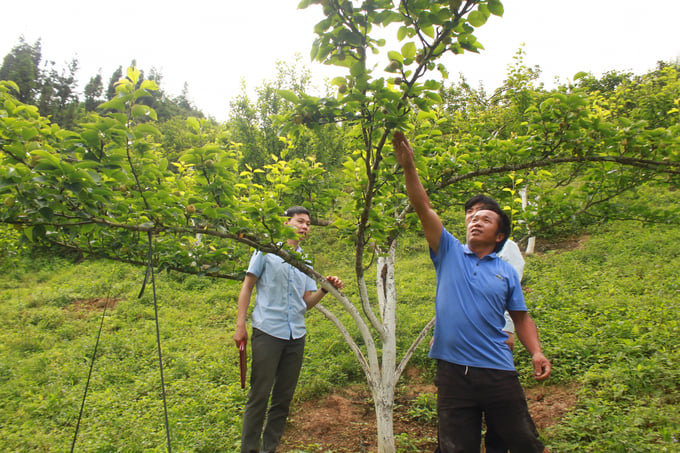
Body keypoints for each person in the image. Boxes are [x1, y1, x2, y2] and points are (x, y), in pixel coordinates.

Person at [392, 131, 551, 453]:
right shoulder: (449, 251)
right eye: (473, 218)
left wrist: (536, 351)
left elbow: (521, 318)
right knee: (455, 448)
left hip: (497, 371)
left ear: (499, 235)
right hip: (452, 374)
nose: (475, 222)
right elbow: (422, 205)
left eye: (486, 219)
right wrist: (409, 167)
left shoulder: (505, 270)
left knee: (523, 442)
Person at [234, 206, 344, 453]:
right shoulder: (266, 251)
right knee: (259, 396)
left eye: (308, 224)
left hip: (296, 335)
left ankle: (268, 449)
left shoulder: (304, 260)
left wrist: (324, 289)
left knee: (282, 400)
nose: (305, 227)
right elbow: (247, 287)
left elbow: (305, 303)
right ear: (285, 223)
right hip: (268, 332)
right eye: (300, 221)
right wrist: (240, 325)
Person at [464, 195, 526, 453]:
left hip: (494, 337)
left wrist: (508, 329)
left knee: (497, 402)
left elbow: (510, 295)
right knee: (463, 405)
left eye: (482, 213)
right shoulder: (463, 252)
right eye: (470, 213)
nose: (474, 218)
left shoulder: (507, 250)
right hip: (465, 343)